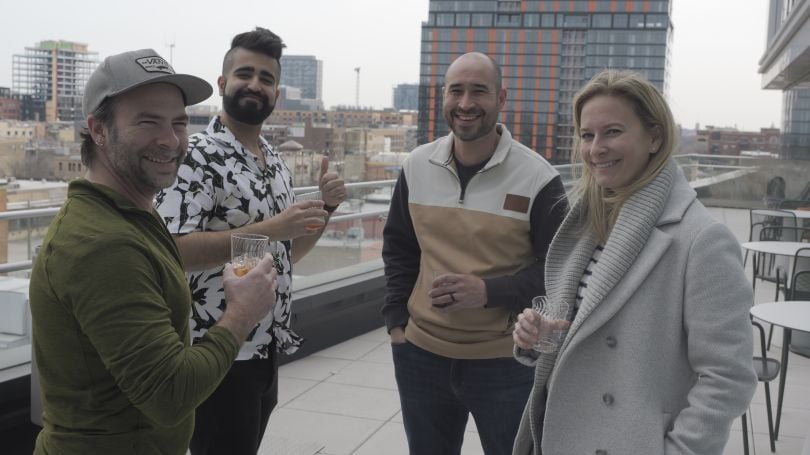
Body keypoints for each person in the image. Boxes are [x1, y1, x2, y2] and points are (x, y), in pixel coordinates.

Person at [28, 49, 278, 455]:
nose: (170, 139)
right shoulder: (103, 245)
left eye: (179, 122)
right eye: (148, 121)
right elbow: (170, 395)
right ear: (98, 129)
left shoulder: (130, 216)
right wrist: (240, 315)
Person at [512, 70, 757, 454]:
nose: (596, 148)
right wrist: (541, 335)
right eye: (587, 135)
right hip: (558, 433)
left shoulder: (700, 239)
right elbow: (588, 331)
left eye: (612, 132)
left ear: (654, 137)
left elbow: (730, 375)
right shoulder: (586, 224)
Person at [155, 27, 346, 454]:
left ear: (277, 92)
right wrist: (273, 227)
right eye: (245, 73)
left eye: (266, 78)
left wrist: (325, 209)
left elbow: (285, 253)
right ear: (223, 83)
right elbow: (173, 251)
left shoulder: (274, 160)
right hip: (214, 349)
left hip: (265, 347)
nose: (255, 85)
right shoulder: (195, 155)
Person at [382, 51, 568, 455]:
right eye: (456, 91)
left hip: (505, 360)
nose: (466, 103)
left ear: (501, 99)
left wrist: (488, 292)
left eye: (479, 91)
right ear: (443, 98)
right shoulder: (416, 166)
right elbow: (399, 248)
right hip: (420, 354)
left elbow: (560, 272)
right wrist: (397, 321)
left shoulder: (539, 178)